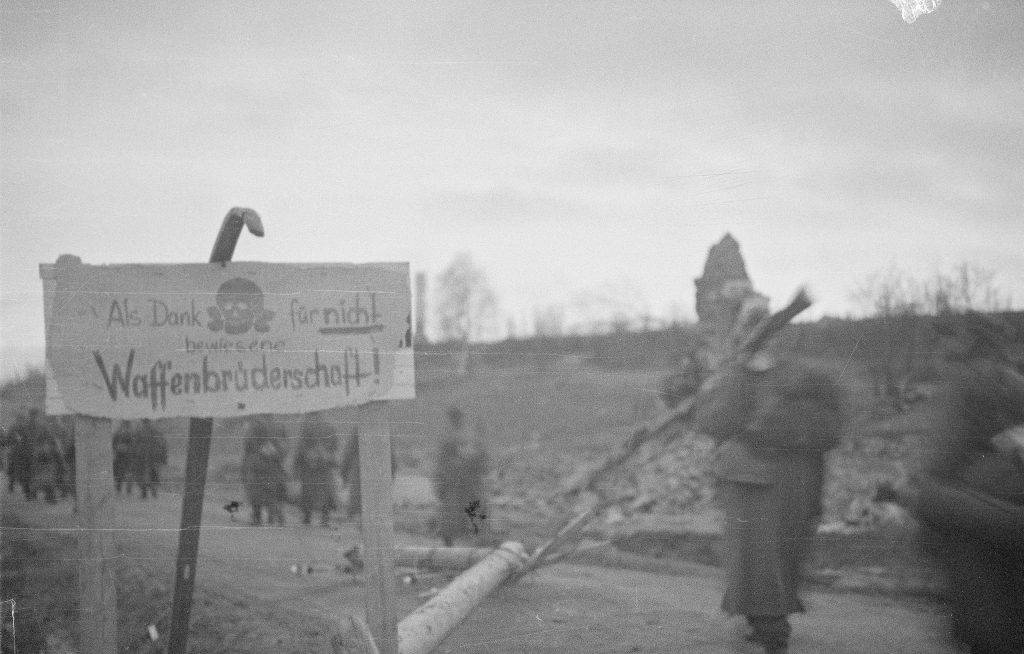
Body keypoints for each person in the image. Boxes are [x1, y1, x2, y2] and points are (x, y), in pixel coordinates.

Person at [877, 317, 1024, 653]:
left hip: (972, 515)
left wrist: (916, 492)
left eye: (946, 344)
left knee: (983, 617)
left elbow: (944, 452)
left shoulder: (967, 386)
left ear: (964, 347)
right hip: (1009, 509)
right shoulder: (1014, 381)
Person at [693, 353, 846, 654]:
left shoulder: (742, 379)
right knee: (778, 559)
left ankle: (770, 632)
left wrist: (710, 395)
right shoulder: (810, 385)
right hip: (795, 484)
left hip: (754, 482)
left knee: (758, 562)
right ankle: (764, 625)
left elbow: (714, 420)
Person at [433, 407, 490, 547]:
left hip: (468, 483)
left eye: (456, 418)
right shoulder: (449, 438)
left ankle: (474, 545)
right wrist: (440, 483)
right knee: (452, 517)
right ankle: (451, 547)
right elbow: (442, 463)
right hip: (454, 484)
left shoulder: (469, 437)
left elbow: (482, 460)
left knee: (471, 515)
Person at [338, 425, 398, 524]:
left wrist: (344, 474)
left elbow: (348, 454)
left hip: (360, 474)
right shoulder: (383, 429)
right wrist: (391, 476)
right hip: (378, 473)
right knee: (375, 507)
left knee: (360, 506)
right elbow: (392, 457)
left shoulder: (358, 429)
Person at [241, 416, 287, 526]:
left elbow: (247, 444)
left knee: (256, 490)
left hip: (258, 463)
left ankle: (257, 517)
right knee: (272, 489)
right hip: (274, 463)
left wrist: (258, 451)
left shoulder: (254, 424)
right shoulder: (279, 424)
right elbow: (285, 446)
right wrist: (276, 452)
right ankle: (274, 517)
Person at [295, 412, 340, 526]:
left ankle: (307, 517)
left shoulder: (306, 424)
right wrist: (328, 456)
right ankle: (325, 517)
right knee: (325, 490)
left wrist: (299, 462)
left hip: (310, 463)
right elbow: (335, 445)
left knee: (308, 490)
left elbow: (301, 445)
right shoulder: (330, 425)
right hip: (325, 463)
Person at [134, 418, 167, 499]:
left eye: (146, 422)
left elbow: (161, 445)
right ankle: (149, 492)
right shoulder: (153, 431)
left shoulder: (142, 431)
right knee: (149, 474)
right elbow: (162, 445)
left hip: (148, 457)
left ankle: (149, 492)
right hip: (146, 457)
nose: (146, 424)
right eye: (145, 422)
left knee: (149, 474)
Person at [112, 420, 134, 494]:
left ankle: (128, 489)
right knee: (119, 473)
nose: (125, 426)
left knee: (128, 473)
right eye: (124, 424)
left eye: (126, 424)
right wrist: (117, 447)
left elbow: (134, 445)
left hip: (128, 456)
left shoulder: (132, 434)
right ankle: (119, 488)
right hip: (120, 456)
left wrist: (127, 448)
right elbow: (113, 444)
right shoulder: (118, 433)